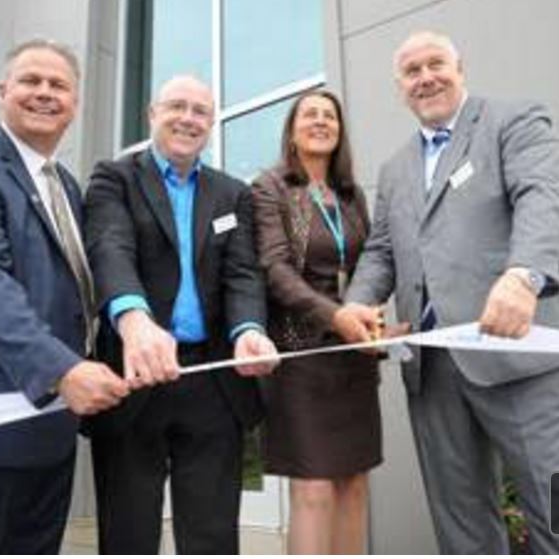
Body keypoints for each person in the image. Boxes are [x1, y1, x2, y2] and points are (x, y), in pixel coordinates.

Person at [334, 30, 559, 553]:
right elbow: (382, 250)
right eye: (412, 72)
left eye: (436, 64)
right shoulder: (395, 170)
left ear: (461, 69)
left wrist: (523, 275)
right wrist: (357, 303)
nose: (426, 78)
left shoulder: (512, 121)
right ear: (400, 88)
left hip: (515, 353)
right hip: (432, 371)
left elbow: (542, 196)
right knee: (461, 526)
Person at [0, 39, 129, 554]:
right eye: (31, 81)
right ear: (3, 92)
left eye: (58, 85)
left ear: (75, 103)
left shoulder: (66, 186)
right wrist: (62, 369)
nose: (45, 93)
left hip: (51, 433)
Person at [84, 74, 279, 555]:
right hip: (134, 376)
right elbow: (110, 246)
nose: (188, 119)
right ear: (153, 114)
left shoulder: (232, 194)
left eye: (200, 111)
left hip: (213, 381)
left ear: (211, 123)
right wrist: (134, 321)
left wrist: (249, 329)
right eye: (177, 106)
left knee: (212, 535)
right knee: (128, 534)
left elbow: (242, 275)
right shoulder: (115, 179)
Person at [251, 90, 382, 554]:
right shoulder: (269, 187)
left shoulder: (351, 194)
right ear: (292, 130)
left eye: (330, 115)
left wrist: (370, 318)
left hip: (353, 355)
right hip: (300, 355)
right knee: (314, 489)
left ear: (340, 131)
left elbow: (371, 264)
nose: (321, 121)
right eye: (310, 114)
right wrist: (335, 316)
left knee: (354, 484)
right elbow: (274, 268)